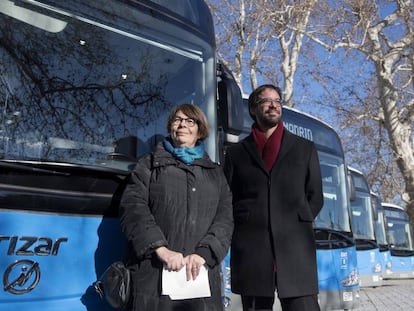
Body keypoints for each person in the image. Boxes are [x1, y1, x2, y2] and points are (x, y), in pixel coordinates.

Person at [119, 103, 233, 311]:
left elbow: (225, 219)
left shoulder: (215, 173)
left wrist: (204, 253)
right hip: (153, 278)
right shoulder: (149, 165)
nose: (182, 125)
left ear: (200, 130)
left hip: (201, 281)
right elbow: (133, 208)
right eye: (177, 120)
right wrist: (160, 249)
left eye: (190, 121)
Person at [223, 84, 323, 311]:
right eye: (266, 101)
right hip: (252, 250)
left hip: (295, 249)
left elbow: (315, 195)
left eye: (277, 101)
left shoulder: (304, 148)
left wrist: (298, 219)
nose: (273, 105)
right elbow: (227, 197)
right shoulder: (236, 153)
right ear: (253, 110)